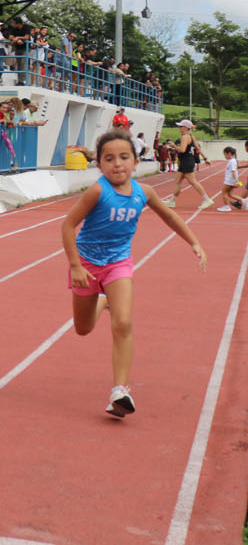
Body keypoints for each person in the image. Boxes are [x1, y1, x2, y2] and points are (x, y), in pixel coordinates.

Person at [61, 129, 206, 417]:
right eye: (109, 159)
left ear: (136, 162)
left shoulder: (144, 192)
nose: (117, 164)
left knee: (124, 323)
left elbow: (169, 215)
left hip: (119, 264)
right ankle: (104, 300)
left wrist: (194, 242)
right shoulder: (97, 192)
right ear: (99, 164)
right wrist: (75, 265)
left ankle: (120, 391)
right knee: (83, 329)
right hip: (87, 266)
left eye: (124, 157)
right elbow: (67, 225)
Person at [164, 119, 214, 209]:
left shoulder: (184, 137)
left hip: (186, 161)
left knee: (193, 181)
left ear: (186, 128)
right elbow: (198, 148)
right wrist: (205, 158)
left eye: (180, 126)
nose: (179, 128)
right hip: (186, 161)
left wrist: (174, 146)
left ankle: (207, 199)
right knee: (178, 181)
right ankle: (172, 201)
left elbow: (182, 150)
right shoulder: (191, 136)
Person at [217, 146, 244, 212]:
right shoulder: (233, 161)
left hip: (229, 181)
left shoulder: (232, 161)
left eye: (225, 155)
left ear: (229, 153)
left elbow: (233, 171)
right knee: (230, 194)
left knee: (224, 193)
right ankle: (244, 201)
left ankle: (226, 207)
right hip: (232, 180)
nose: (225, 156)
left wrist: (236, 181)